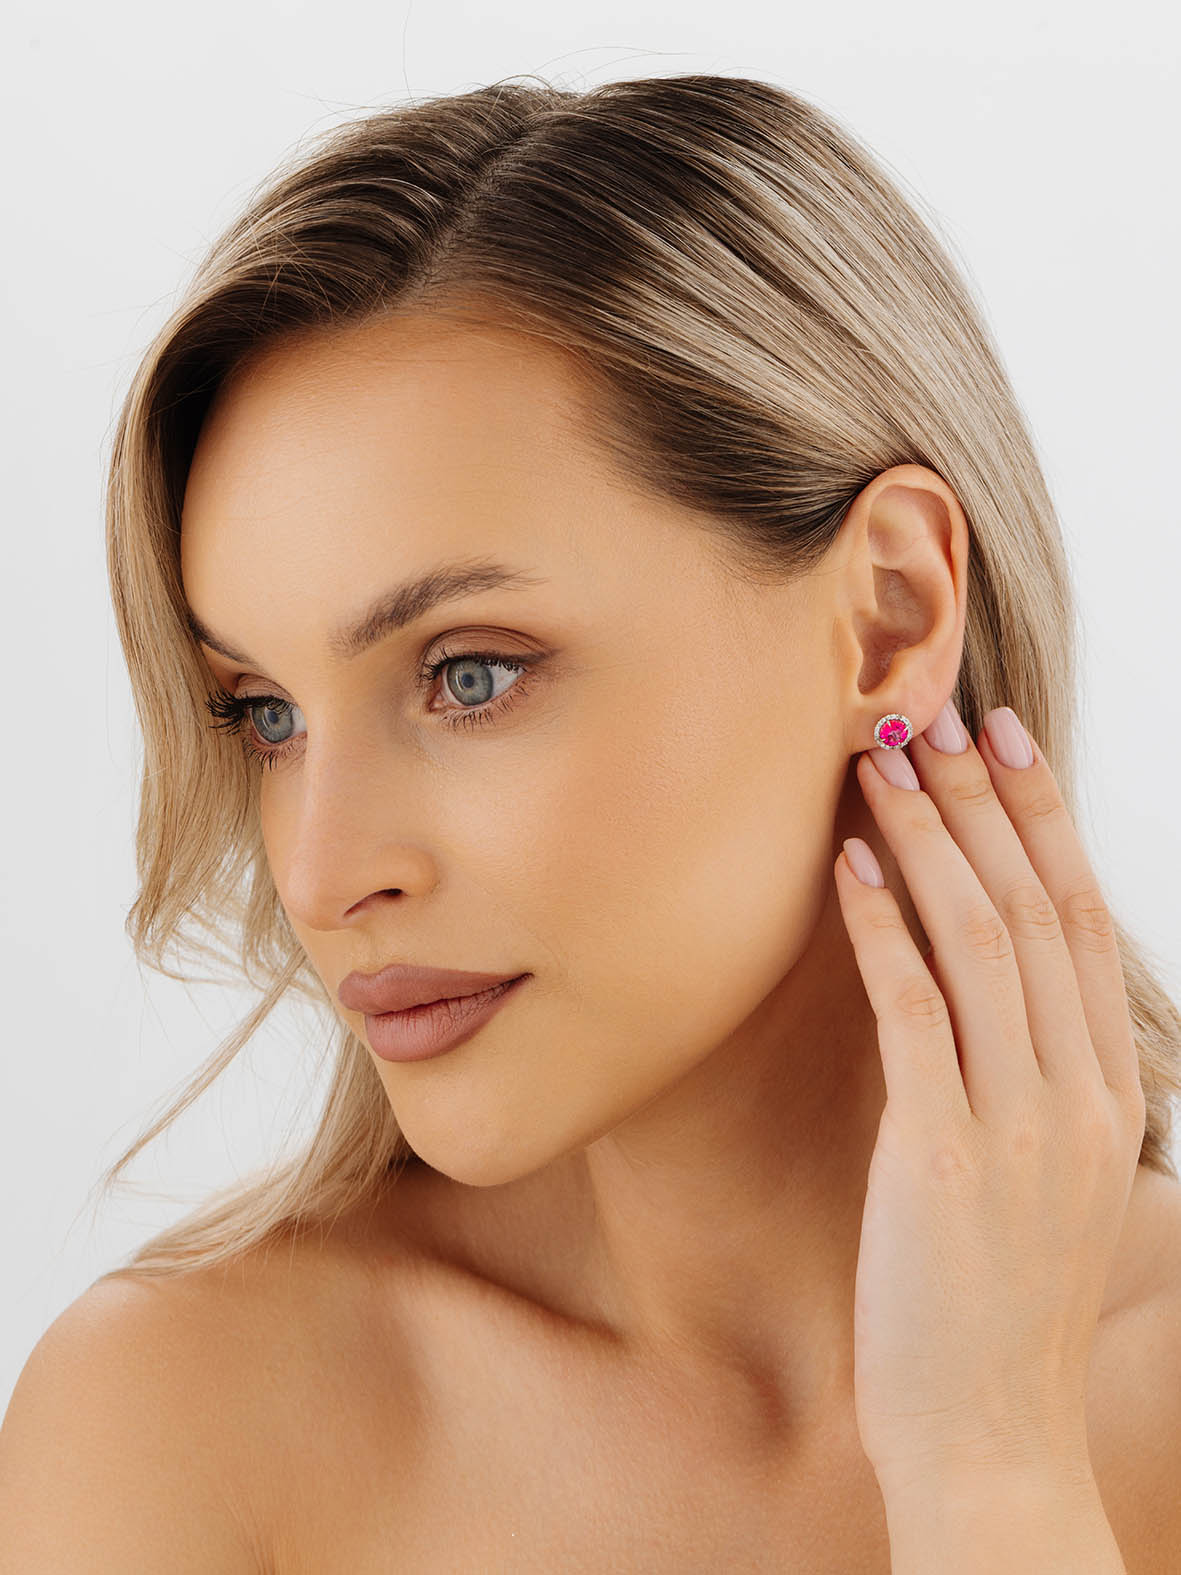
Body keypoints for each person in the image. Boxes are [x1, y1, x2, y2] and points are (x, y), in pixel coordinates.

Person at [2, 73, 1179, 1571]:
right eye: (266, 713)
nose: (318, 873)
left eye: (469, 675)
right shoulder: (181, 1423)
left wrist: (994, 1468)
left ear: (889, 616)